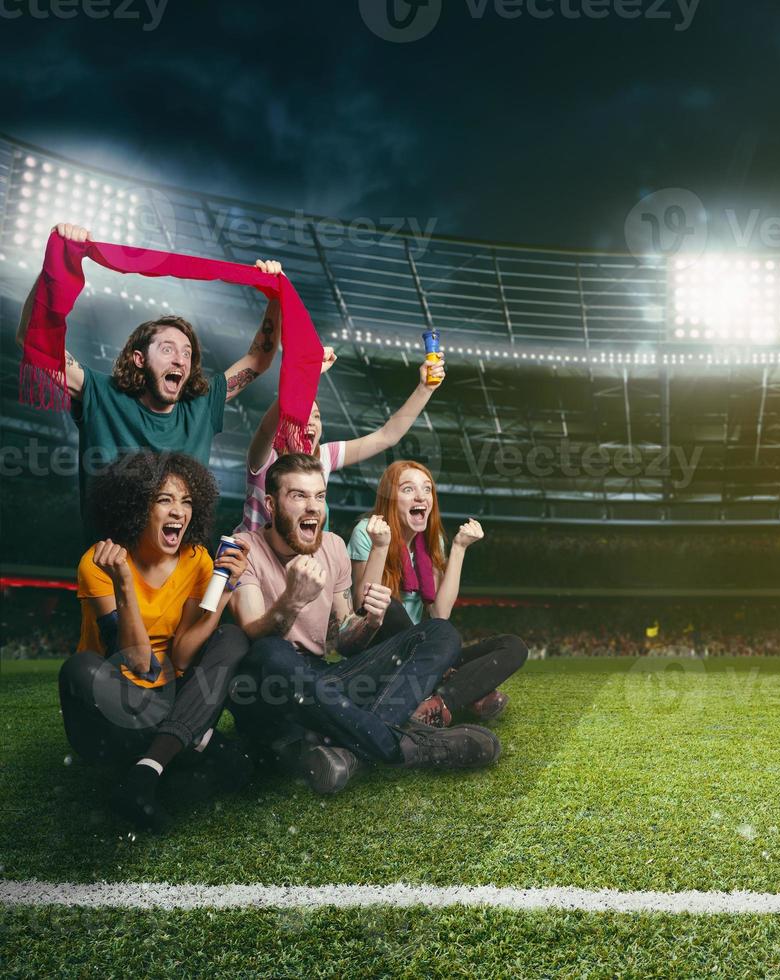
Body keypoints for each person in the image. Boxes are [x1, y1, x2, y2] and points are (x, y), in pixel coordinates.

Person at [13, 222, 327, 529]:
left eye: (187, 353)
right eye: (167, 349)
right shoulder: (102, 394)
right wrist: (54, 266)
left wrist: (274, 294)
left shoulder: (200, 406)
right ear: (138, 358)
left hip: (182, 570)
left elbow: (259, 359)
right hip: (109, 567)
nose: (180, 358)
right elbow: (34, 341)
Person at [227, 453, 504, 796]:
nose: (313, 507)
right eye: (298, 496)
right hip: (270, 688)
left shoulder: (332, 546)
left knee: (441, 633)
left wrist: (369, 623)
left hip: (324, 681)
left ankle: (349, 751)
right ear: (270, 504)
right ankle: (409, 747)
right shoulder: (243, 549)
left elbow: (344, 639)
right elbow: (253, 635)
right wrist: (293, 600)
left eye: (319, 496)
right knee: (271, 653)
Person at [58, 451, 254, 831]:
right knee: (79, 668)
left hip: (169, 692)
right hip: (110, 713)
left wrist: (225, 589)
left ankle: (147, 770)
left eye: (186, 501)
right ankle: (196, 740)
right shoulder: (98, 563)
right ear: (135, 506)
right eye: (164, 500)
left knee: (230, 636)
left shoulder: (196, 560)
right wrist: (124, 585)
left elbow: (182, 653)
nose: (179, 512)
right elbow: (136, 663)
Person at [349, 460, 526, 727]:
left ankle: (439, 703)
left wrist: (459, 548)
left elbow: (440, 614)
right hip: (384, 650)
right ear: (389, 498)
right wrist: (380, 546)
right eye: (408, 489)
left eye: (427, 489)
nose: (421, 496)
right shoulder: (367, 532)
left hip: (426, 651)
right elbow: (366, 606)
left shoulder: (433, 540)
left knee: (514, 646)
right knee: (389, 606)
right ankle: (467, 693)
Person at [235, 357, 442, 534]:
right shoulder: (264, 460)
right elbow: (264, 429)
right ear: (281, 425)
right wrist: (307, 374)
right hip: (252, 564)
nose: (311, 423)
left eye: (316, 417)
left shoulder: (324, 456)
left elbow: (387, 436)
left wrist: (425, 389)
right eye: (300, 416)